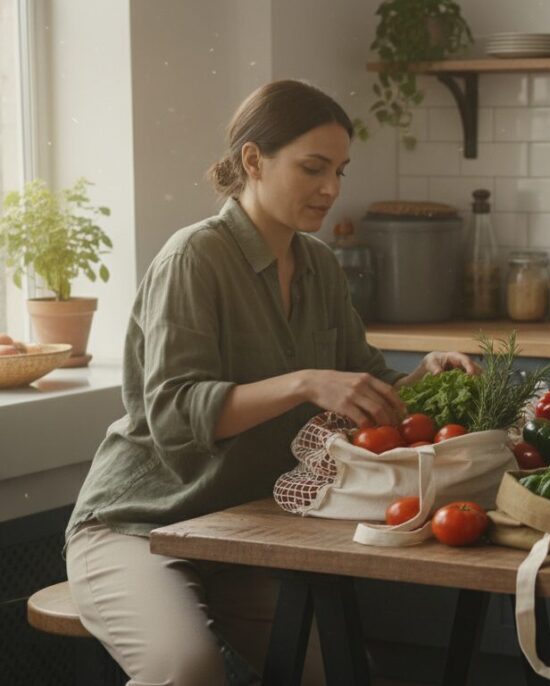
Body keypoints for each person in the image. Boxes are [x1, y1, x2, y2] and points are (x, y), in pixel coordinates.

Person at [64, 79, 475, 686]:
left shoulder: (320, 266)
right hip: (138, 525)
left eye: (340, 170)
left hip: (240, 533)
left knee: (338, 674)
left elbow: (364, 385)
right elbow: (175, 415)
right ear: (253, 160)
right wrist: (304, 382)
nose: (331, 189)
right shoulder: (193, 259)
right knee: (188, 670)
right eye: (313, 168)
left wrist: (421, 376)